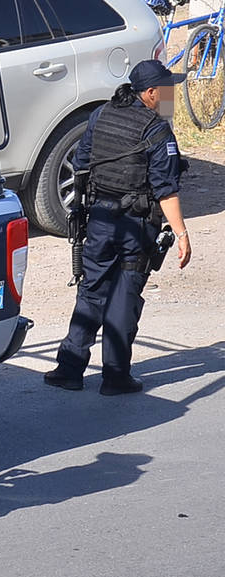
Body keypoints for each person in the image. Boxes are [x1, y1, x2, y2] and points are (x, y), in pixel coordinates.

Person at [45, 59, 192, 395]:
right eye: (168, 90)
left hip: (98, 220)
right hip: (134, 227)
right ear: (152, 93)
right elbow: (166, 190)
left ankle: (69, 369)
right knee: (123, 298)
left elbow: (81, 165)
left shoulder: (101, 115)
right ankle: (114, 376)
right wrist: (182, 234)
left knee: (91, 291)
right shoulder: (157, 131)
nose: (172, 96)